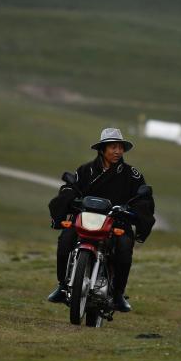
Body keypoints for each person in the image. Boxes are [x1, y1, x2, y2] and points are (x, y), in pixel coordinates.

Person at [47, 127, 155, 312]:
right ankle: (63, 286)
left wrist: (133, 210)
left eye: (120, 147)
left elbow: (143, 198)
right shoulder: (85, 170)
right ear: (102, 149)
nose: (118, 151)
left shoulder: (132, 174)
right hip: (84, 219)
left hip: (116, 221)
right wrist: (70, 200)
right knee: (65, 240)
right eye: (113, 147)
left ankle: (118, 294)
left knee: (124, 249)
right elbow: (70, 188)